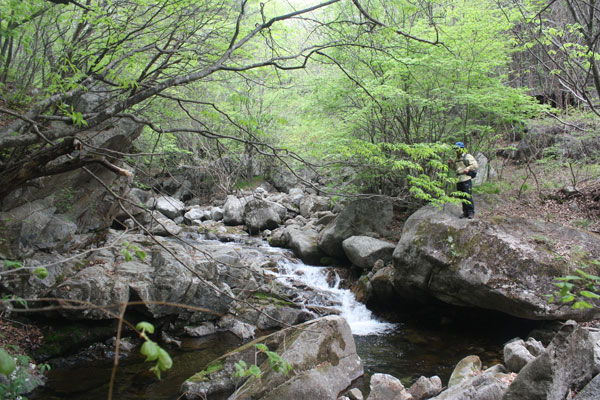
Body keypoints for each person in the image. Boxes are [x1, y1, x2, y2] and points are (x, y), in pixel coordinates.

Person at [448, 142, 478, 219]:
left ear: (462, 148)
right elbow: (454, 168)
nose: (457, 150)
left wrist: (468, 168)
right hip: (458, 179)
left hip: (466, 178)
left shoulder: (467, 156)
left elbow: (475, 164)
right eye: (456, 149)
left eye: (458, 148)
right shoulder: (456, 159)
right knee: (461, 196)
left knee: (467, 195)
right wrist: (450, 164)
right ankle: (465, 212)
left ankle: (471, 212)